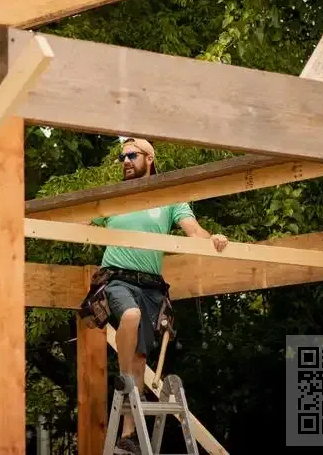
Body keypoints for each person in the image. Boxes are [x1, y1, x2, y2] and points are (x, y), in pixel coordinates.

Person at [90, 138, 228, 453]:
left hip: (151, 287)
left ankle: (129, 435)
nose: (125, 160)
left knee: (139, 357)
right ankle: (124, 380)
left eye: (131, 155)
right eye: (121, 156)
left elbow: (195, 231)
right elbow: (81, 218)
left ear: (149, 159)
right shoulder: (113, 197)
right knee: (130, 317)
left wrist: (214, 238)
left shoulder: (170, 198)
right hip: (116, 278)